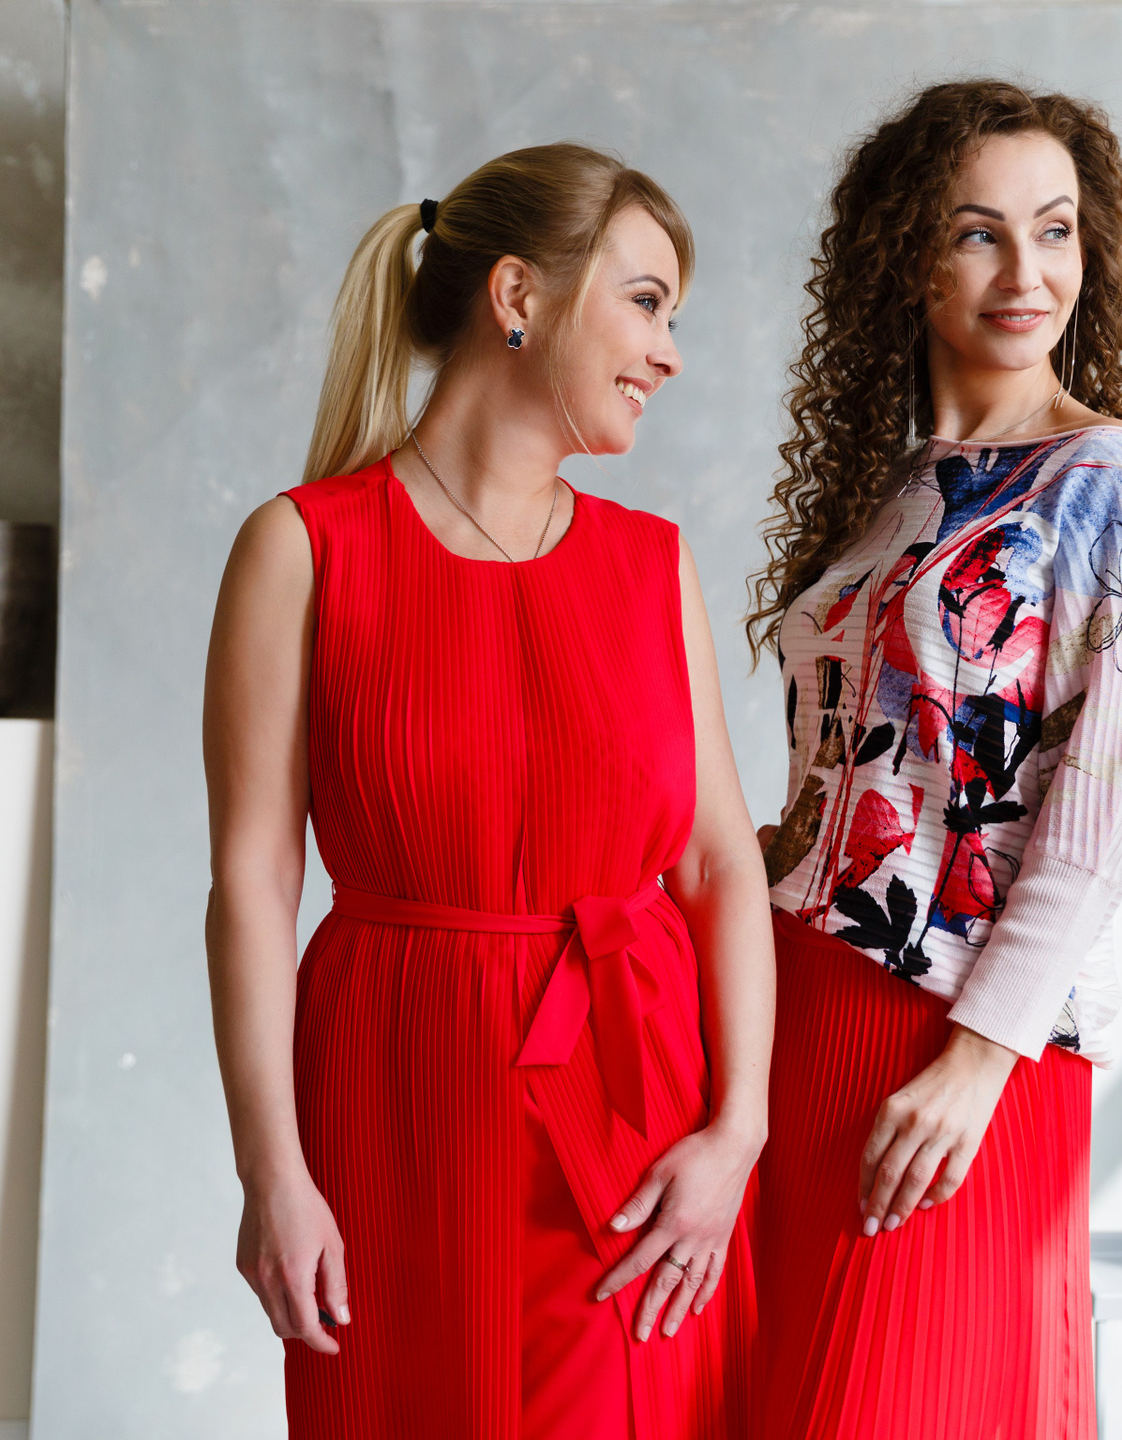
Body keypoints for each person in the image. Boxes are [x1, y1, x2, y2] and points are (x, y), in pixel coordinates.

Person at [203, 143, 774, 1440]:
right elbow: (252, 884)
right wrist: (271, 1171)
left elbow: (717, 865)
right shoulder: (303, 547)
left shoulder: (653, 565)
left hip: (636, 1123)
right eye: (646, 302)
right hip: (393, 1103)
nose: (670, 352)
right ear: (518, 295)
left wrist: (735, 1131)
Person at [747, 81, 1122, 1437]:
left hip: (957, 1035)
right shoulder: (885, 492)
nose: (1027, 273)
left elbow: (1101, 815)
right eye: (977, 233)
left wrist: (979, 1057)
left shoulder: (1111, 482)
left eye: (1055, 230)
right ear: (906, 255)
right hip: (796, 1013)